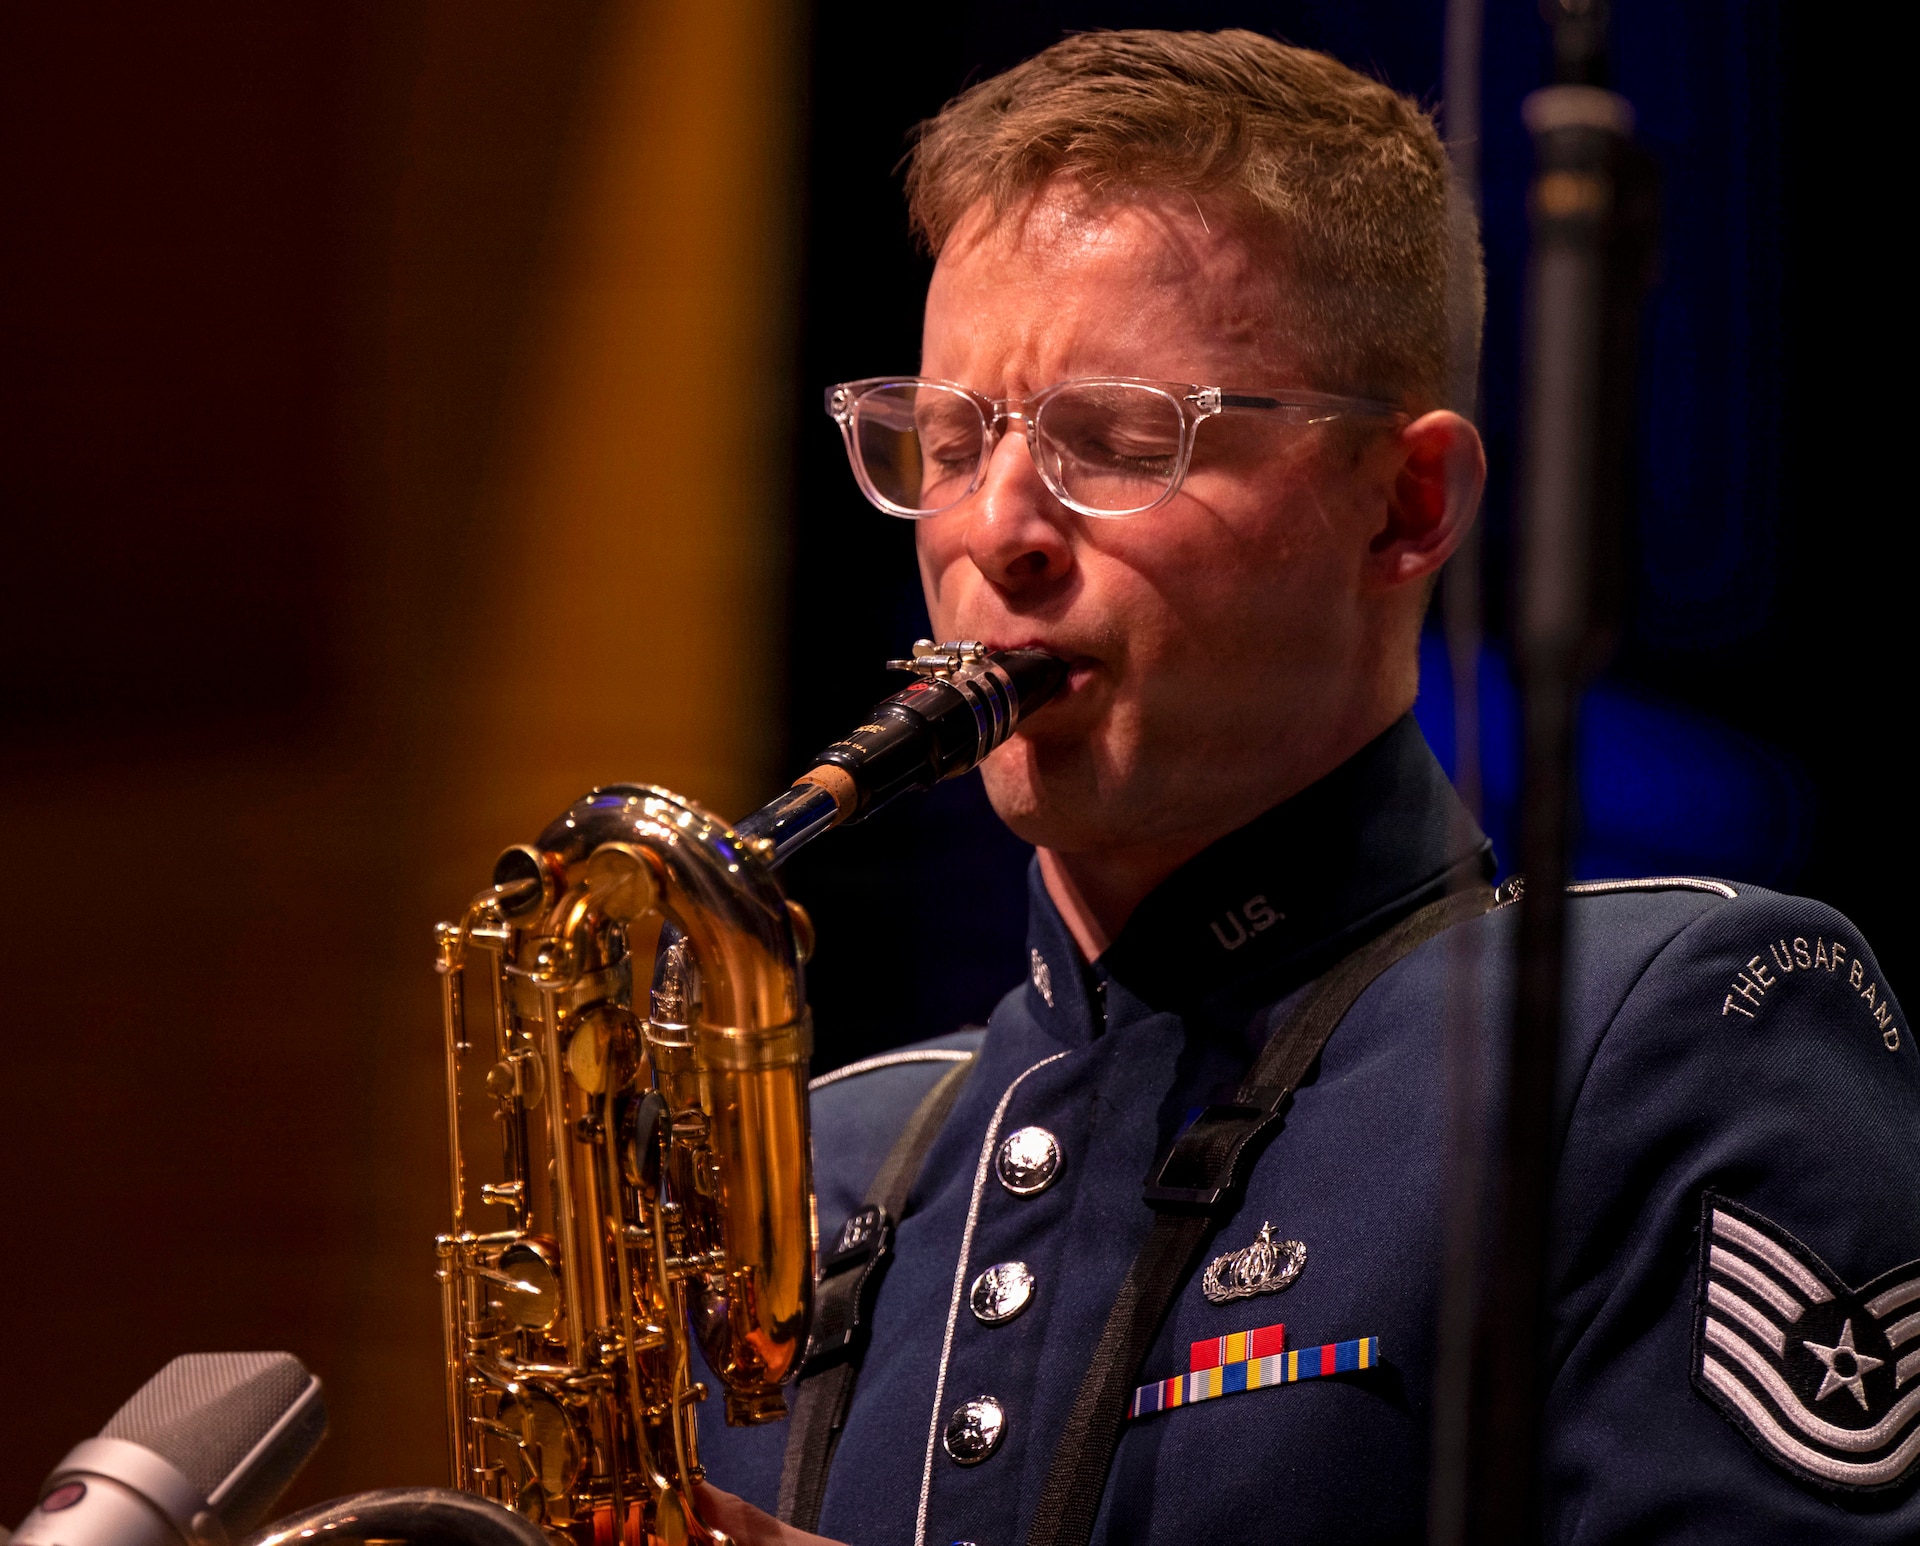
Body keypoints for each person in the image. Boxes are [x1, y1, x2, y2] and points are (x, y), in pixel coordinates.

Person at [695, 28, 1920, 1544]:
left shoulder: (1654, 1031)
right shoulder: (823, 1168)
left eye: (1115, 440)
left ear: (1405, 504)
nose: (994, 529)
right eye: (948, 442)